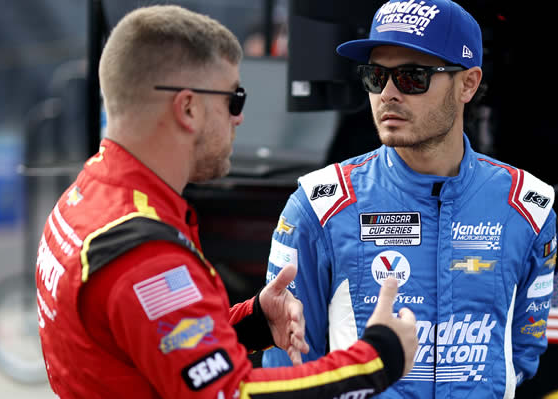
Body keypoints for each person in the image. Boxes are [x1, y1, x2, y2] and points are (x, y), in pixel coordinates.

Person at [35, 5, 417, 399]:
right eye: (235, 98)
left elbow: (151, 342)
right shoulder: (143, 252)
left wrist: (253, 322)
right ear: (187, 108)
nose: (240, 119)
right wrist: (374, 360)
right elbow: (231, 392)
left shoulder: (84, 198)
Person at [262, 0, 558, 398]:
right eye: (375, 75)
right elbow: (290, 368)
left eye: (411, 77)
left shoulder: (528, 207)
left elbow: (522, 353)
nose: (387, 94)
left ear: (468, 83)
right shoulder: (320, 206)